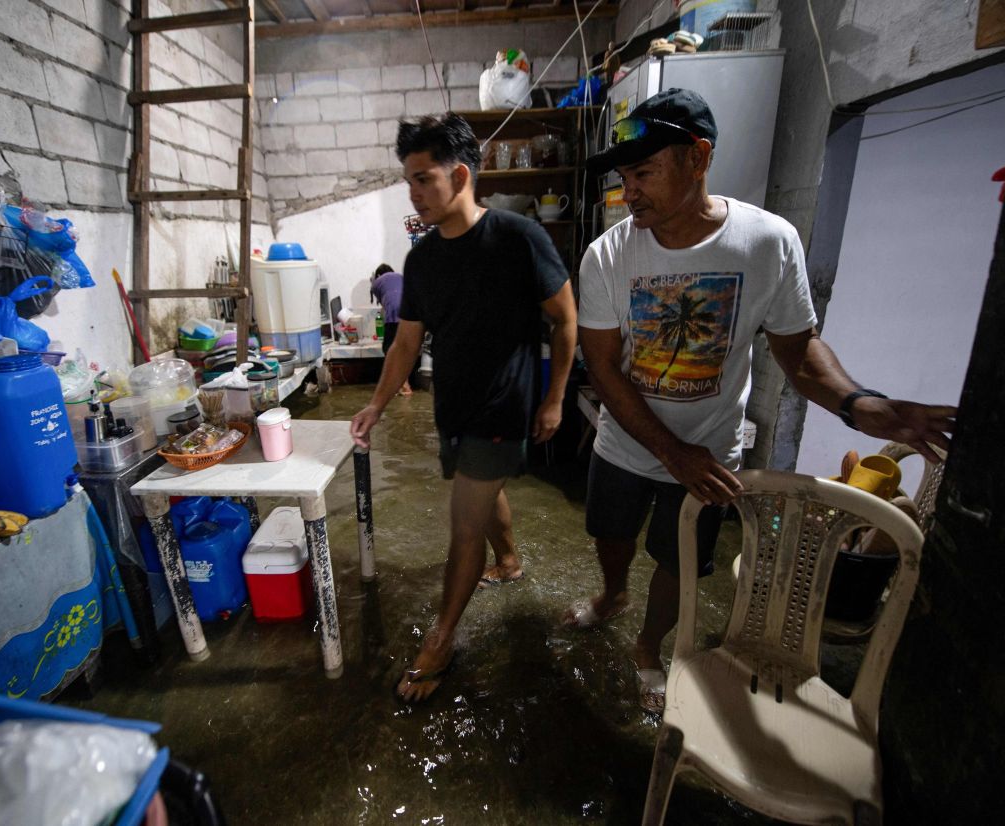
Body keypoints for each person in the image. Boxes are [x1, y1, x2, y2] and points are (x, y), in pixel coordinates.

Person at [570, 88, 956, 712]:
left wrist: (859, 403)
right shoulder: (608, 256)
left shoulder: (765, 243)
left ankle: (647, 644)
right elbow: (604, 367)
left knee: (680, 560)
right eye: (623, 177)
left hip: (712, 451)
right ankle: (612, 593)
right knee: (610, 536)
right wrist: (671, 452)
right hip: (627, 443)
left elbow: (798, 353)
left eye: (643, 172)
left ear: (698, 158)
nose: (628, 191)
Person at [350, 113, 578, 703]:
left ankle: (441, 643)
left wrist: (553, 398)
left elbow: (566, 319)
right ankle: (510, 560)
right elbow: (406, 342)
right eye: (409, 181)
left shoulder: (517, 238)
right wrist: (376, 404)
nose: (414, 192)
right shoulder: (422, 261)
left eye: (424, 178)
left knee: (462, 523)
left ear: (460, 175)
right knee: (482, 491)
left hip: (506, 405)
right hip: (455, 405)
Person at [370, 263, 413, 395]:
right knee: (404, 349)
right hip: (411, 313)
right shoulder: (400, 277)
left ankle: (402, 385)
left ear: (377, 275)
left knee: (389, 349)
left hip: (395, 312)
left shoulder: (376, 282)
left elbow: (385, 307)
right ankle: (405, 384)